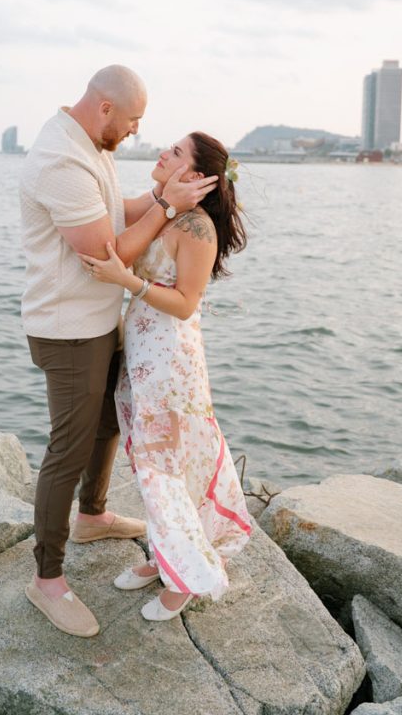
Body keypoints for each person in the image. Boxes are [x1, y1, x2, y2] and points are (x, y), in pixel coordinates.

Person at [20, 66, 218, 638]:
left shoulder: (90, 144)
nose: (136, 133)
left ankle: (92, 516)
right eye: (133, 121)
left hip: (100, 321)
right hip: (68, 328)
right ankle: (47, 580)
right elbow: (107, 253)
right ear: (106, 108)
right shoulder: (62, 160)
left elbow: (118, 211)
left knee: (106, 424)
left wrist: (160, 197)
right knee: (69, 446)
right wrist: (167, 207)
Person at [80, 131, 251, 622]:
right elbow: (116, 219)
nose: (162, 153)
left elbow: (185, 304)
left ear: (196, 177)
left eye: (175, 152)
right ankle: (166, 558)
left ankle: (188, 577)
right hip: (141, 358)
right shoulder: (167, 212)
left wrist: (128, 282)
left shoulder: (198, 229)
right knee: (149, 463)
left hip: (171, 364)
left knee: (166, 469)